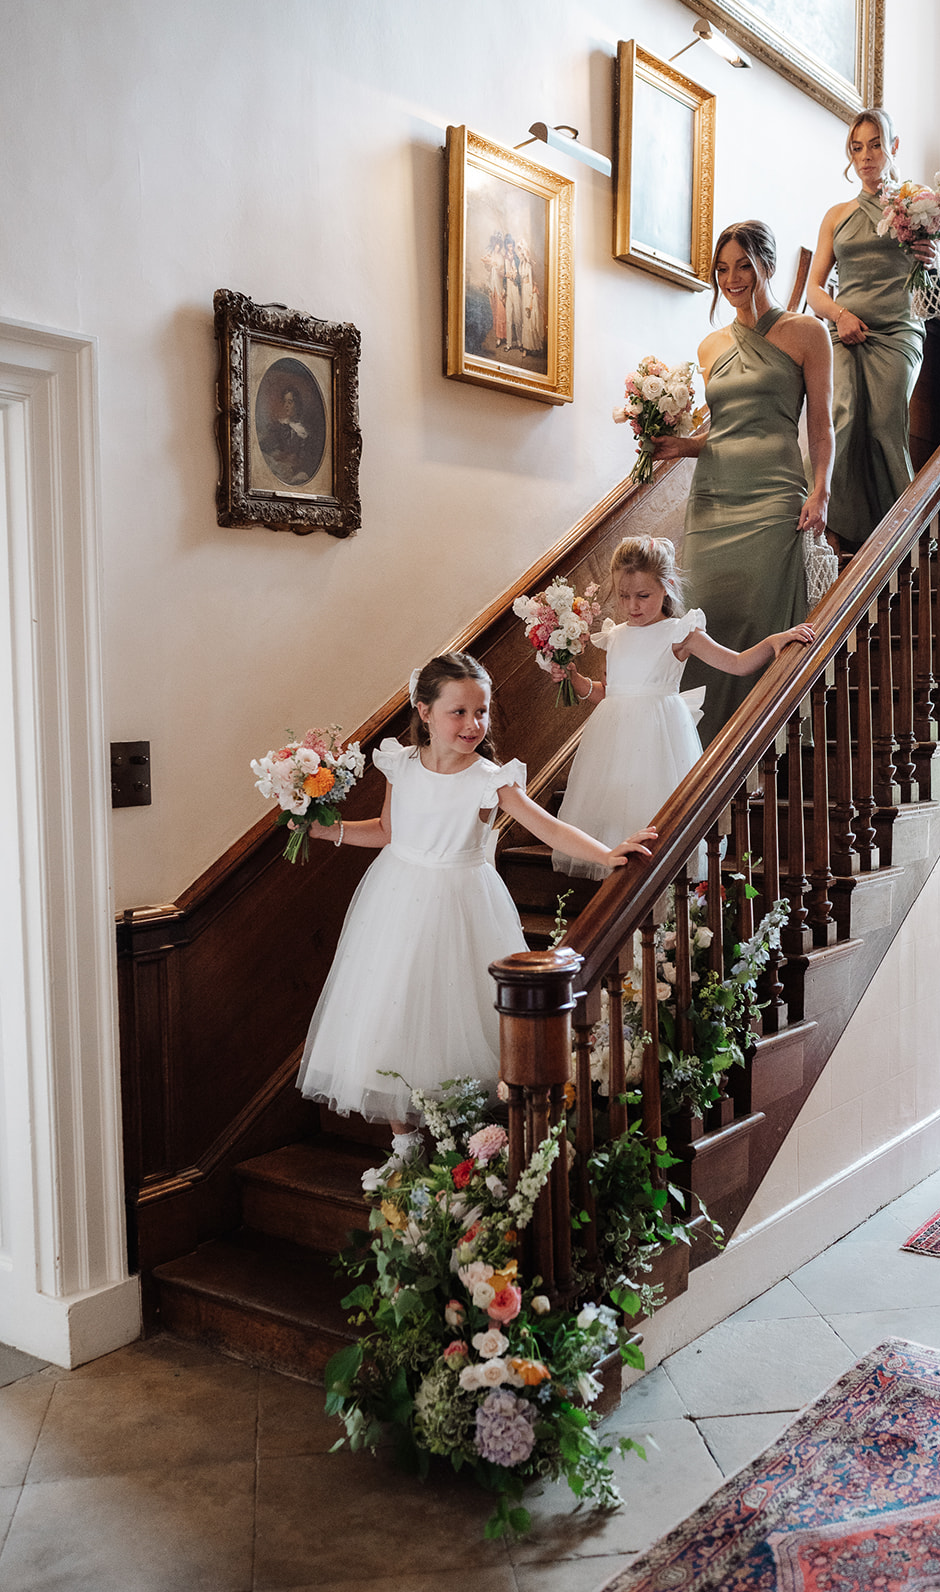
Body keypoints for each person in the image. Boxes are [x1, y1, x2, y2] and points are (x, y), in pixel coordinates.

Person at [294, 651, 655, 1131]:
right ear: (424, 712)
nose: (472, 724)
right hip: (396, 897)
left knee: (453, 1017)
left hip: (460, 902)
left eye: (481, 711)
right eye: (458, 712)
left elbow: (547, 826)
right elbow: (387, 830)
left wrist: (606, 852)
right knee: (391, 1012)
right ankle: (404, 1143)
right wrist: (328, 830)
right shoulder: (401, 765)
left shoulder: (490, 780)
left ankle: (454, 1134)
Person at [654, 219, 833, 745]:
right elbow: (722, 431)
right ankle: (699, 759)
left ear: (767, 267)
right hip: (712, 501)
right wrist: (680, 446)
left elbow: (822, 426)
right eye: (723, 269)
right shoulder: (710, 348)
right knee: (706, 620)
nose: (732, 278)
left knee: (761, 621)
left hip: (775, 495)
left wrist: (820, 490)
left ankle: (760, 755)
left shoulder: (806, 333)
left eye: (743, 266)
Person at [550, 536, 815, 878]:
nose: (632, 605)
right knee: (617, 833)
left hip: (659, 744)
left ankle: (663, 921)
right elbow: (608, 692)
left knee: (657, 829)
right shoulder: (615, 636)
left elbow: (736, 664)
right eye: (623, 596)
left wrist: (773, 641)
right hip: (614, 748)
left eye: (643, 595)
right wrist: (573, 678)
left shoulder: (679, 633)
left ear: (667, 587)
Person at [807, 108, 935, 551]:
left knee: (885, 424)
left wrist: (932, 259)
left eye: (875, 144)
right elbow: (813, 291)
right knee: (842, 417)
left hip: (899, 332)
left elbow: (935, 288)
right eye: (857, 147)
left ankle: (908, 536)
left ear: (893, 147)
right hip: (845, 334)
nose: (866, 156)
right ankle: (840, 539)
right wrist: (840, 316)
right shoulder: (836, 215)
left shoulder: (917, 207)